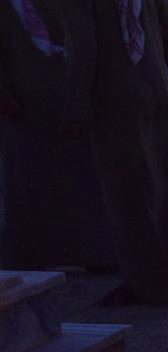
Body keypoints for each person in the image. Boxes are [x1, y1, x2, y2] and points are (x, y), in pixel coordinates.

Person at [62, 0, 168, 305]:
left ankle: (145, 282)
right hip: (156, 86)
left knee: (129, 194)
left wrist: (74, 106)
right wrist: (159, 60)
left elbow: (84, 50)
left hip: (115, 98)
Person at [0, 0, 116, 270]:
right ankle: (32, 255)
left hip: (64, 93)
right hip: (23, 101)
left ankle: (94, 252)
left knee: (82, 179)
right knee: (27, 182)